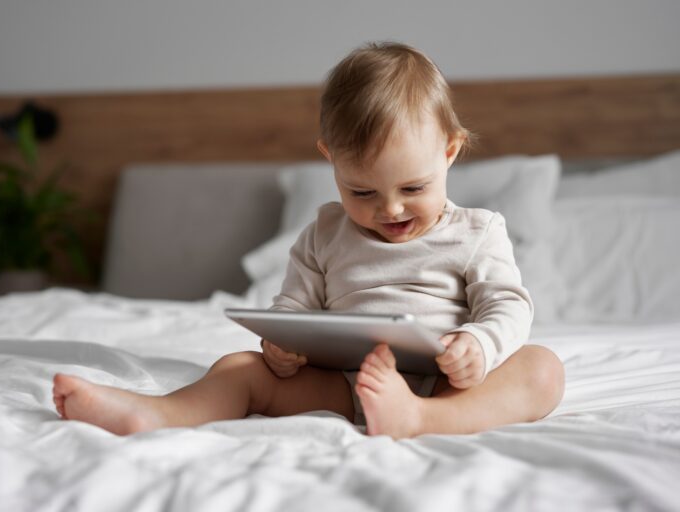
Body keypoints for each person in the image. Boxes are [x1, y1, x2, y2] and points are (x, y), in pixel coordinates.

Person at [53, 42, 565, 439]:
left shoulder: (477, 232)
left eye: (414, 188)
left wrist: (479, 343)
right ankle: (159, 414)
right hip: (342, 385)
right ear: (330, 159)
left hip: (450, 385)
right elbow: (293, 305)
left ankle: (421, 418)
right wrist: (282, 345)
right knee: (238, 367)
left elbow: (508, 305)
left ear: (449, 152)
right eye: (361, 190)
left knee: (543, 370)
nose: (390, 209)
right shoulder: (324, 232)